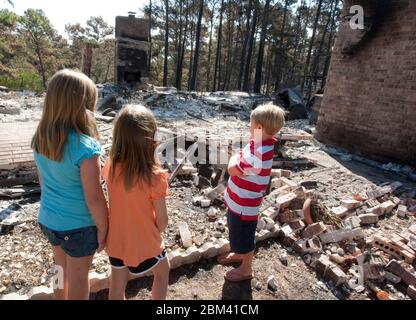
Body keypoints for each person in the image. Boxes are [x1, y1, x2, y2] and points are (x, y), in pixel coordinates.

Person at [32, 69, 108, 299]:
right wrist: (105, 228)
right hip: (78, 226)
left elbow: (43, 183)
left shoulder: (41, 138)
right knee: (78, 277)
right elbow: (94, 198)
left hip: (48, 219)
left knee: (59, 267)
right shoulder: (86, 148)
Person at [103, 105, 170, 300]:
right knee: (162, 271)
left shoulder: (110, 166)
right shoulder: (155, 177)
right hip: (146, 243)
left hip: (117, 242)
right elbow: (163, 222)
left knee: (117, 283)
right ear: (150, 140)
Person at [218, 103, 286, 282]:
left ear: (259, 127)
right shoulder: (260, 141)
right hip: (240, 200)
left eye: (250, 122)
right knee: (236, 232)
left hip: (244, 205)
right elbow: (241, 154)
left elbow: (232, 168)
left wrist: (233, 158)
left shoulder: (257, 155)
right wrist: (237, 157)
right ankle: (240, 253)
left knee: (244, 236)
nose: (249, 125)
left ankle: (246, 269)